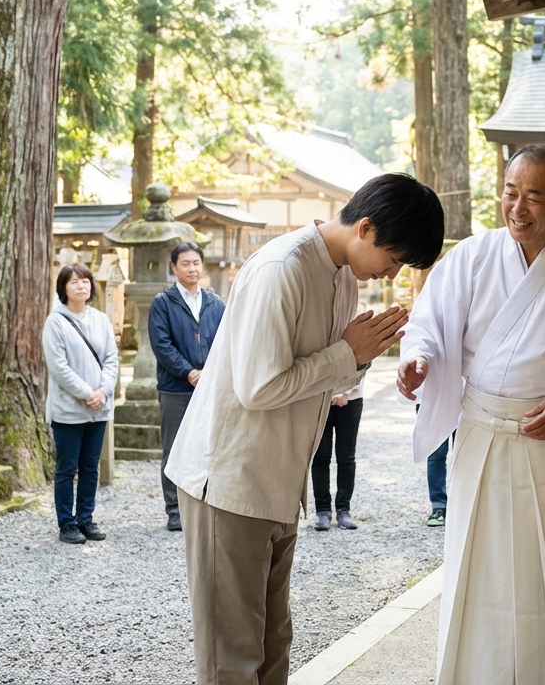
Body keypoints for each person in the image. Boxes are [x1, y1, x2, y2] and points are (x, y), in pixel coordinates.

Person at [165, 173, 444, 684]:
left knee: (273, 645)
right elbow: (260, 387)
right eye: (396, 258)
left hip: (277, 480)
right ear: (365, 228)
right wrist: (348, 355)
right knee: (233, 656)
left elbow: (327, 373)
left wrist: (358, 360)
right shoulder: (282, 268)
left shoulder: (341, 276)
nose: (392, 272)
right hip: (229, 479)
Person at [397, 145, 545, 685]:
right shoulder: (472, 258)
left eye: (534, 196)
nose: (517, 207)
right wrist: (418, 359)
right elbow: (428, 322)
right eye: (509, 191)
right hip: (482, 436)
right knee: (480, 571)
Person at [148, 242, 225, 532]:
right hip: (176, 389)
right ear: (174, 268)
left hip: (210, 388)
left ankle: (206, 503)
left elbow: (225, 342)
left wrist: (210, 373)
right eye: (185, 263)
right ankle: (175, 511)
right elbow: (162, 346)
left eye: (196, 263)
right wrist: (189, 372)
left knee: (209, 447)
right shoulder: (163, 303)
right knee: (174, 449)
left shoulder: (215, 303)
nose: (192, 268)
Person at [42, 263, 121, 545]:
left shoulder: (100, 319)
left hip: (98, 408)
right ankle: (67, 523)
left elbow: (111, 358)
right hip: (69, 410)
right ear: (63, 288)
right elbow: (59, 367)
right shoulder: (56, 322)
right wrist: (88, 392)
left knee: (91, 466)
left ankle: (86, 518)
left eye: (85, 281)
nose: (82, 286)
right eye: (74, 282)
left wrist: (103, 390)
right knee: (67, 467)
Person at [310, 385, 364, 531]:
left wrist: (343, 391)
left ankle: (343, 510)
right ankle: (322, 511)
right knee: (320, 457)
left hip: (351, 399)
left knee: (346, 457)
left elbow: (362, 365)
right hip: (319, 398)